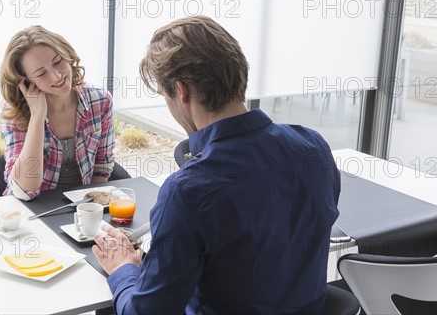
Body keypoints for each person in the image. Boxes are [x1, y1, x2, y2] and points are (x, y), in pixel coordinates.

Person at [93, 16, 341, 314]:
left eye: (164, 95)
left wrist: (122, 267)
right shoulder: (314, 148)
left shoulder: (187, 191)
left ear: (181, 91)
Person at [0, 25, 116, 200]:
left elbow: (102, 165)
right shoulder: (15, 112)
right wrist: (37, 117)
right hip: (31, 210)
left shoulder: (100, 100)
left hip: (83, 207)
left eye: (57, 62)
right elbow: (26, 190)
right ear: (25, 81)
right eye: (41, 73)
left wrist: (91, 208)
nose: (56, 76)